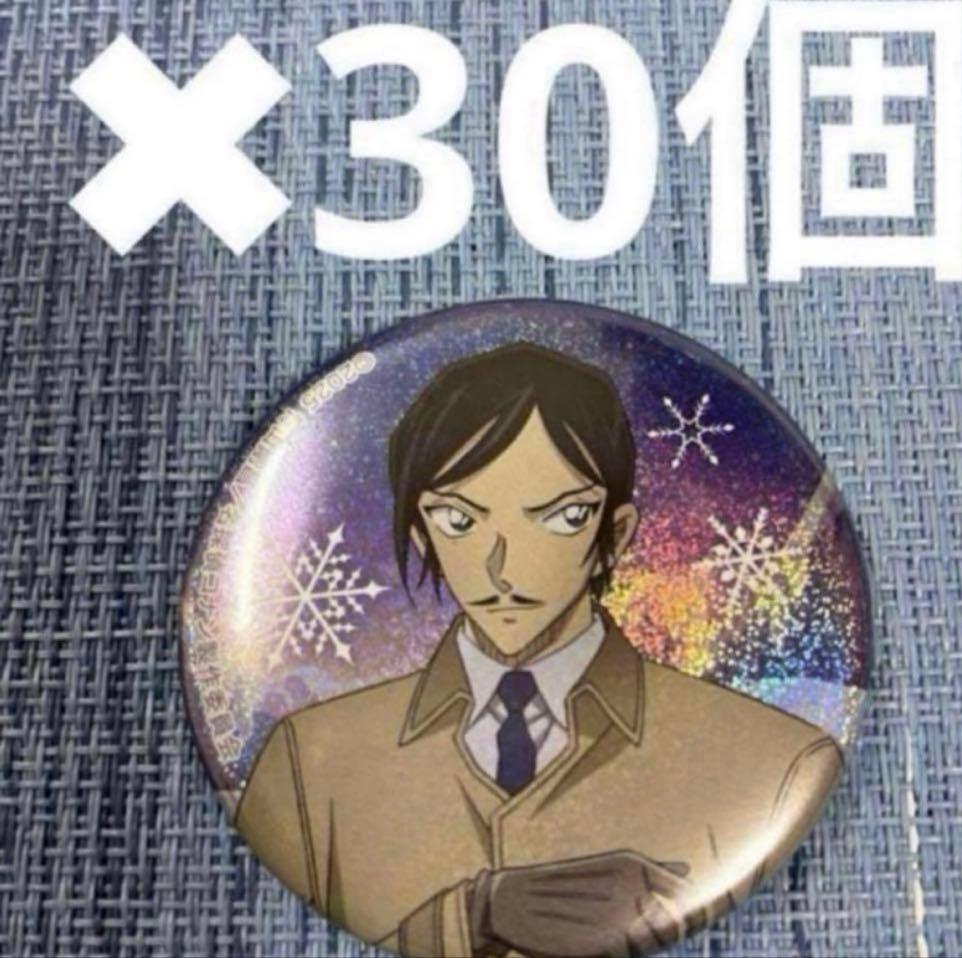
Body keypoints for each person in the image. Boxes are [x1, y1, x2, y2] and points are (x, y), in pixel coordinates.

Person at [236, 342, 842, 958]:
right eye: (459, 520)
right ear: (421, 535)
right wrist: (467, 920)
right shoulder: (307, 765)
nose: (504, 566)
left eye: (562, 516)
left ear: (615, 534)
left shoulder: (776, 765)